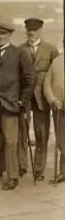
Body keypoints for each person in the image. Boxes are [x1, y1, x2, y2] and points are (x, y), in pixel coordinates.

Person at [0, 22, 35, 190]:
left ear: (10, 35)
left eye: (3, 34)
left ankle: (12, 176)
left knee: (11, 141)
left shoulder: (20, 53)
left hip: (11, 105)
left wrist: (22, 100)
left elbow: (30, 79)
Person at [17, 18, 59, 180]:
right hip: (25, 96)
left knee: (41, 133)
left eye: (34, 31)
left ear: (40, 31)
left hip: (42, 96)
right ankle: (22, 165)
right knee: (22, 131)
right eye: (28, 31)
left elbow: (57, 73)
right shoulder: (19, 49)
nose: (31, 34)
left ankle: (39, 168)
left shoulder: (51, 49)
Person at [44, 53, 65, 183]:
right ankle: (63, 172)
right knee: (62, 140)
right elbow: (47, 84)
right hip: (59, 107)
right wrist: (52, 99)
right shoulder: (57, 61)